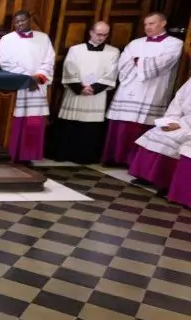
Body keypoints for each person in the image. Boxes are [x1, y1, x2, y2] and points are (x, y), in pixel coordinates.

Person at [103, 12, 183, 166]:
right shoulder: (135, 43)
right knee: (122, 124)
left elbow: (163, 62)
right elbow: (123, 62)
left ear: (163, 23)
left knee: (142, 125)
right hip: (129, 88)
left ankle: (135, 162)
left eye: (151, 23)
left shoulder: (174, 44)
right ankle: (115, 158)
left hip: (153, 89)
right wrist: (138, 63)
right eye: (146, 24)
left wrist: (138, 61)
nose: (147, 27)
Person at [45, 21, 119, 164]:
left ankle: (85, 157)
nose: (101, 38)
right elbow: (68, 68)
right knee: (70, 123)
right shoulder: (75, 49)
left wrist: (94, 88)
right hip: (76, 92)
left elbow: (112, 72)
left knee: (90, 127)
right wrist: (80, 87)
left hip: (96, 95)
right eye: (98, 34)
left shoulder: (113, 52)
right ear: (91, 33)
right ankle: (64, 153)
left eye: (105, 35)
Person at [0, 10, 54, 163]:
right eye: (17, 22)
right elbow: (6, 63)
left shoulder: (43, 39)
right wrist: (28, 78)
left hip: (38, 86)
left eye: (23, 20)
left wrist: (39, 76)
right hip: (19, 87)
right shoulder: (7, 40)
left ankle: (29, 156)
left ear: (30, 19)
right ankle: (13, 154)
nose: (20, 24)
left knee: (34, 123)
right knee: (17, 122)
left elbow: (49, 61)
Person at [128, 78, 191, 190]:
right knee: (156, 132)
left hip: (187, 125)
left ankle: (164, 180)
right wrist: (171, 120)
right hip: (179, 121)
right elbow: (178, 101)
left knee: (176, 137)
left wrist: (181, 124)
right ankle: (145, 176)